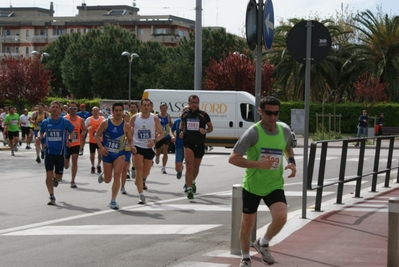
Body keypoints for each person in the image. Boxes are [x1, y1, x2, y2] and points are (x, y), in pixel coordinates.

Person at [228, 96, 296, 267]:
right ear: (260, 111)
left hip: (274, 184)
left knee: (281, 217)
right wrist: (257, 164)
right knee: (247, 226)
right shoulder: (253, 132)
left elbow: (288, 148)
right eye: (268, 113)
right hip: (253, 186)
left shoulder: (285, 130)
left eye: (276, 113)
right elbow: (233, 158)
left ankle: (263, 243)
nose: (273, 117)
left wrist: (292, 163)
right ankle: (245, 257)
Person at [95, 102, 135, 209]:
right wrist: (101, 147)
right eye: (116, 110)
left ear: (122, 112)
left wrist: (132, 146)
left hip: (119, 154)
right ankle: (103, 176)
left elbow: (130, 140)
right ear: (112, 111)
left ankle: (113, 200)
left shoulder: (126, 126)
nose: (118, 112)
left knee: (117, 175)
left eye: (120, 110)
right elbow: (97, 135)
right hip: (107, 154)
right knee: (108, 179)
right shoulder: (105, 123)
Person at [39, 101, 75, 205]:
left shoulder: (64, 122)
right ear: (49, 109)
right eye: (52, 107)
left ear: (60, 110)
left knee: (58, 177)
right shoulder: (46, 122)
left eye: (56, 107)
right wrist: (39, 138)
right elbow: (41, 132)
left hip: (60, 153)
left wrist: (70, 140)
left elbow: (72, 131)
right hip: (49, 152)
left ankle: (56, 178)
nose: (54, 109)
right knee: (48, 174)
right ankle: (51, 196)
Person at [130, 98, 164, 204]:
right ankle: (141, 195)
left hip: (149, 147)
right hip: (138, 147)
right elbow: (128, 132)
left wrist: (154, 141)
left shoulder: (154, 118)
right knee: (139, 171)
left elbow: (162, 133)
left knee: (146, 172)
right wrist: (131, 143)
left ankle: (142, 179)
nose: (146, 107)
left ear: (150, 107)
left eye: (148, 105)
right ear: (140, 106)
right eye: (144, 105)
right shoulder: (134, 118)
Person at [179, 95, 213, 199]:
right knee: (189, 165)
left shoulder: (203, 115)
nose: (194, 105)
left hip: (200, 143)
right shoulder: (184, 114)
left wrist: (205, 131)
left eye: (196, 103)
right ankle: (189, 188)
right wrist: (181, 132)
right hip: (188, 143)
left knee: (195, 167)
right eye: (192, 103)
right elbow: (182, 124)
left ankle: (192, 181)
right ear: (188, 103)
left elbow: (211, 127)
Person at [64, 101, 86, 188]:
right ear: (68, 109)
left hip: (76, 143)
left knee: (75, 160)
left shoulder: (80, 119)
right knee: (66, 164)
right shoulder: (65, 118)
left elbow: (84, 129)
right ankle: (66, 164)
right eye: (71, 108)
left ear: (77, 109)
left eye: (74, 108)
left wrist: (83, 133)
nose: (72, 110)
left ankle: (73, 180)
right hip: (66, 143)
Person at [170, 106, 189, 180]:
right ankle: (180, 170)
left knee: (189, 166)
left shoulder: (192, 121)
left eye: (187, 110)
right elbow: (171, 130)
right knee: (178, 167)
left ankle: (188, 185)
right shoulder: (178, 121)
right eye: (184, 111)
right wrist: (172, 137)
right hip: (179, 145)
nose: (186, 112)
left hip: (189, 146)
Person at [85, 106, 105, 174]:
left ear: (99, 111)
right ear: (92, 112)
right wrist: (88, 129)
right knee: (92, 154)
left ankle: (99, 165)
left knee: (100, 154)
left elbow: (106, 127)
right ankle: (92, 165)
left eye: (97, 110)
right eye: (94, 111)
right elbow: (84, 129)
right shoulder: (89, 119)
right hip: (92, 140)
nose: (95, 112)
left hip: (100, 140)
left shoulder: (102, 119)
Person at [154, 103, 173, 174]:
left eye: (165, 108)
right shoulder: (156, 116)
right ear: (160, 109)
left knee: (165, 150)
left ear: (166, 109)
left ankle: (163, 167)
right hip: (159, 136)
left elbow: (170, 124)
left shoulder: (168, 116)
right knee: (158, 150)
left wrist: (172, 125)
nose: (163, 110)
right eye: (162, 108)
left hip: (166, 136)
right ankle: (157, 156)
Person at [120, 112, 132, 195]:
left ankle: (122, 186)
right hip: (118, 150)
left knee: (124, 168)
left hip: (127, 150)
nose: (125, 118)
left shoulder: (131, 128)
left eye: (127, 117)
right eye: (123, 117)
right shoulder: (116, 126)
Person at [128, 102, 139, 179]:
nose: (133, 108)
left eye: (134, 107)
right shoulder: (126, 115)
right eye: (131, 107)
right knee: (127, 155)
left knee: (134, 156)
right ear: (129, 108)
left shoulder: (139, 116)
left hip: (136, 139)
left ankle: (133, 168)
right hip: (127, 138)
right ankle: (127, 170)